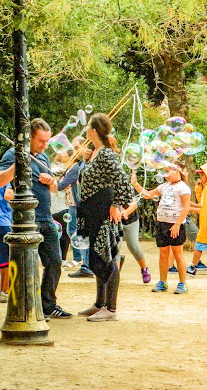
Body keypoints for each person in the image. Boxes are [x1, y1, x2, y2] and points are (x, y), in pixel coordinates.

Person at [0, 118, 72, 319]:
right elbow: (0, 181)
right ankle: (25, 305)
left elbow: (54, 187)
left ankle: (48, 304)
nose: (45, 145)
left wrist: (50, 181)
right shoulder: (12, 154)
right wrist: (20, 162)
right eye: (41, 141)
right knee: (26, 265)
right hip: (26, 220)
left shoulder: (44, 158)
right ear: (30, 137)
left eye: (47, 141)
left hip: (46, 218)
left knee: (55, 262)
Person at [76, 114, 134, 321]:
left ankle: (111, 309)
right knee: (99, 255)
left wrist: (116, 204)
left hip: (103, 210)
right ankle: (100, 303)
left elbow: (122, 182)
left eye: (87, 127)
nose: (85, 130)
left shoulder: (107, 154)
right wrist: (85, 161)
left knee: (108, 256)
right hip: (92, 211)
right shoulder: (94, 153)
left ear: (93, 131)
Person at [131, 160, 191, 295]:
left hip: (175, 225)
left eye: (168, 172)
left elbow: (186, 207)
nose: (165, 175)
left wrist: (176, 225)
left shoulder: (183, 187)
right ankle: (163, 282)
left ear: (177, 171)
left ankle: (182, 283)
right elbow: (147, 195)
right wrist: (135, 183)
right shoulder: (164, 186)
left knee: (178, 254)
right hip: (162, 224)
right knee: (163, 254)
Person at [61, 136, 95, 277]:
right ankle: (86, 264)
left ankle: (86, 265)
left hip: (79, 206)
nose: (74, 152)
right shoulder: (81, 164)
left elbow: (61, 185)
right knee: (78, 233)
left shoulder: (78, 167)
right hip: (80, 206)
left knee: (77, 233)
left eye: (76, 148)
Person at [119, 198, 151, 283]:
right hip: (115, 220)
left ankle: (144, 269)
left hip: (131, 220)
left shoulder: (132, 185)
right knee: (115, 247)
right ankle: (114, 273)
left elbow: (134, 203)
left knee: (133, 246)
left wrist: (125, 213)